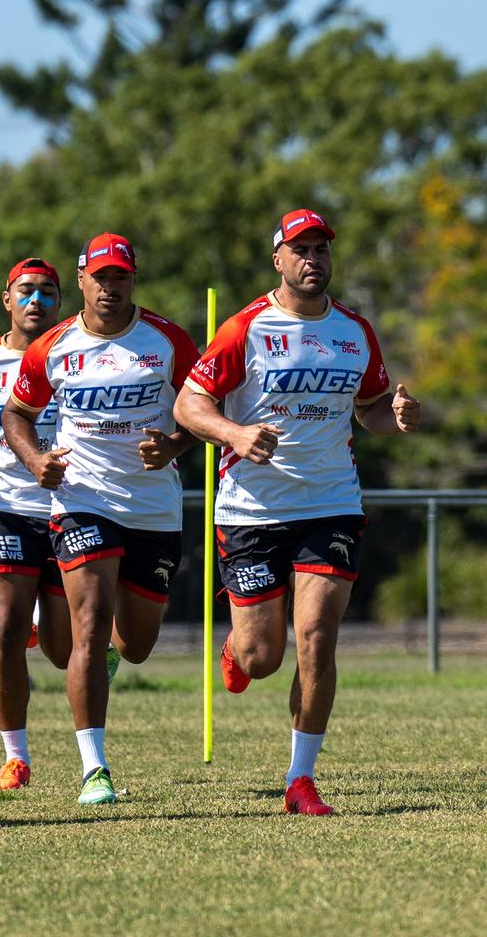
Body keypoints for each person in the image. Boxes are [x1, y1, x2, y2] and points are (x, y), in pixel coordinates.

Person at [173, 208, 421, 815]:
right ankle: (238, 649)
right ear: (278, 260)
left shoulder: (354, 331)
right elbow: (188, 405)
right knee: (263, 657)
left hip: (331, 504)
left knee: (317, 636)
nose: (314, 260)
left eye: (322, 250)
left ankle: (300, 779)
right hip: (251, 510)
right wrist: (233, 434)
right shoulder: (244, 329)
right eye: (301, 250)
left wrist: (400, 416)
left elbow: (370, 409)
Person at [2, 233, 200, 805]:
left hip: (154, 508)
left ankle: (115, 653)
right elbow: (18, 413)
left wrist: (176, 444)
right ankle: (95, 769)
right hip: (82, 502)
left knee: (135, 644)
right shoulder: (53, 347)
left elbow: (207, 406)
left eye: (121, 278)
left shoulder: (167, 341)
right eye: (101, 278)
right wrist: (36, 459)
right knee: (87, 624)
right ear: (82, 282)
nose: (110, 288)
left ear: (132, 282)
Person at [0, 257, 71, 792]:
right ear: (6, 299)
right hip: (4, 508)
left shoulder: (79, 353)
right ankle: (15, 757)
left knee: (63, 650)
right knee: (4, 628)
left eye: (48, 292)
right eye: (26, 291)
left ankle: (103, 646)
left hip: (73, 509)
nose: (37, 301)